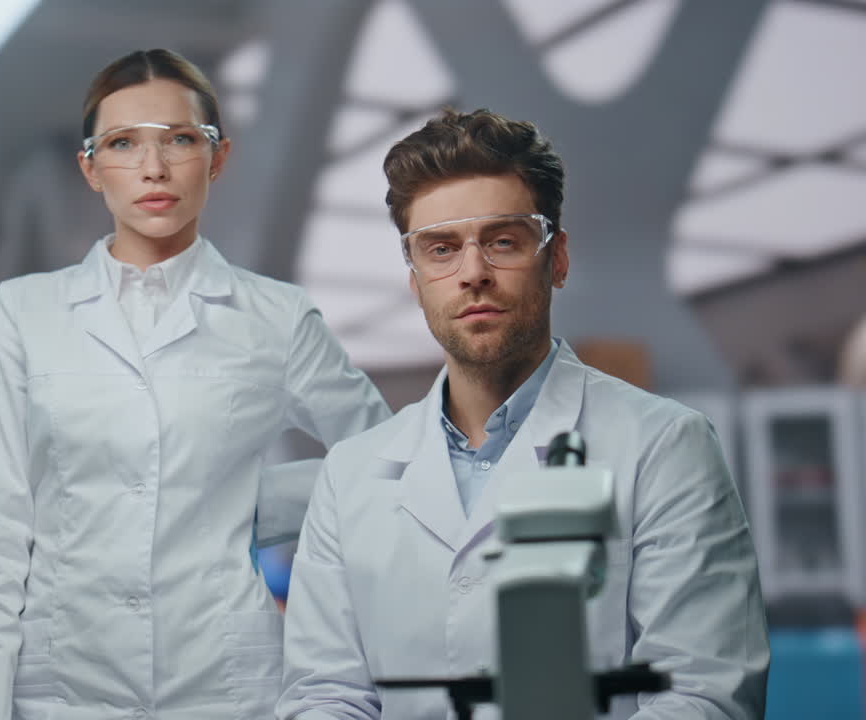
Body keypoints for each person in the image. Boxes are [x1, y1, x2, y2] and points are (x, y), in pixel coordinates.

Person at [0, 49, 391, 720]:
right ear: (91, 168)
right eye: (123, 144)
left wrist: (255, 503)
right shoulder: (23, 313)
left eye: (180, 140)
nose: (153, 169)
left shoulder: (275, 317)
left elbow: (384, 463)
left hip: (230, 687)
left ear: (218, 158)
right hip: (61, 688)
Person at [277, 108, 769, 719]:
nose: (473, 273)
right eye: (441, 249)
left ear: (556, 259)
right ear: (415, 279)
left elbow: (703, 695)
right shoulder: (350, 475)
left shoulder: (665, 447)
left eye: (503, 241)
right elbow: (326, 695)